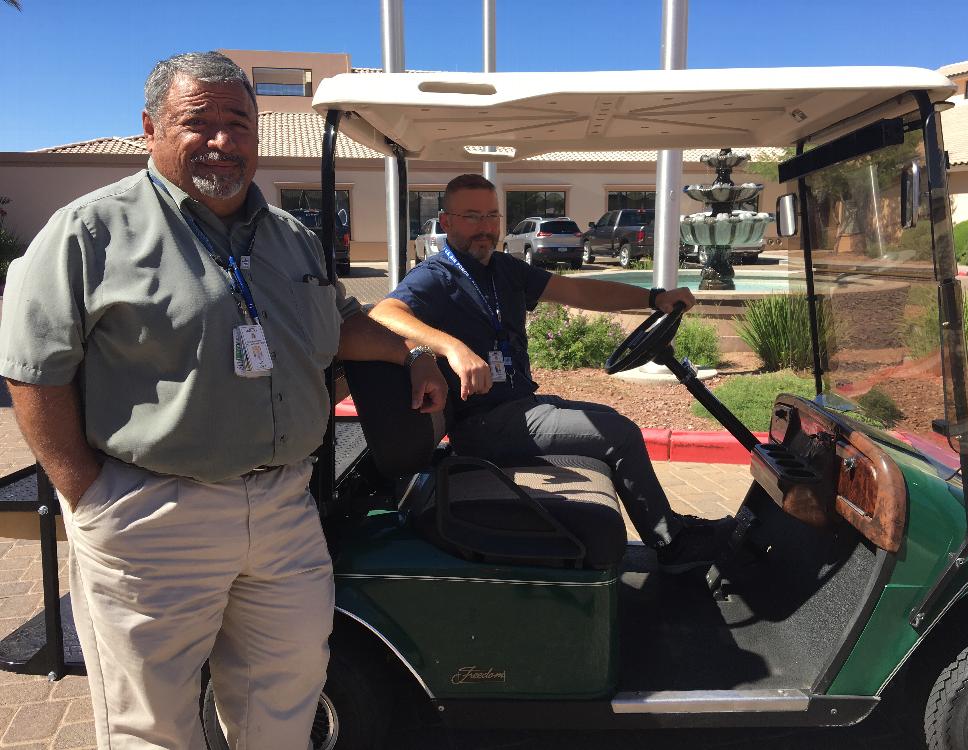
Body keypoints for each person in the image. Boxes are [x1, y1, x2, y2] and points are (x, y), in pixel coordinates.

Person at [0, 51, 446, 749]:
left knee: (285, 704)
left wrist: (415, 352)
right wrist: (88, 497)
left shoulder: (291, 237)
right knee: (151, 723)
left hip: (283, 513)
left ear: (258, 131)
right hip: (151, 514)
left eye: (237, 122)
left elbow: (336, 325)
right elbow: (33, 370)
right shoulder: (89, 232)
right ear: (150, 128)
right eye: (196, 122)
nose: (221, 139)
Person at [370, 174, 732, 573]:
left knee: (610, 420)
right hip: (485, 424)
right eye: (472, 217)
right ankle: (672, 544)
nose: (486, 227)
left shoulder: (503, 270)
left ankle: (670, 531)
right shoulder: (436, 276)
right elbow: (384, 313)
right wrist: (453, 348)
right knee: (622, 435)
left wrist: (653, 298)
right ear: (447, 221)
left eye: (492, 216)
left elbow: (578, 292)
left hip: (518, 408)